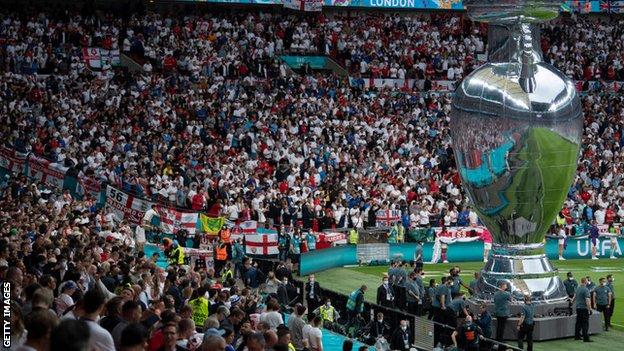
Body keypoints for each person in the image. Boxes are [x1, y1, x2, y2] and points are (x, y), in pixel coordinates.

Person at [572, 277, 592, 342]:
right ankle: (586, 338)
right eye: (587, 281)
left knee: (578, 323)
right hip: (584, 309)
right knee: (585, 323)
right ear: (585, 282)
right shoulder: (586, 290)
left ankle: (577, 336)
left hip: (578, 308)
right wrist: (590, 309)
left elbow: (574, 297)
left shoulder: (578, 288)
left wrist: (571, 302)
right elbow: (587, 300)